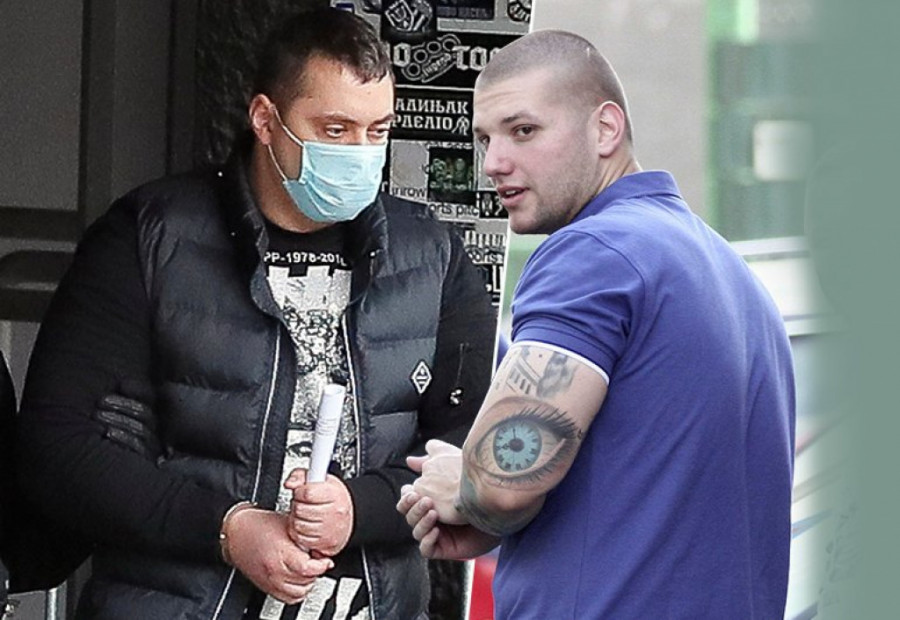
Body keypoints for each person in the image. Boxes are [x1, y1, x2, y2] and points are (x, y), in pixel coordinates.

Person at [16, 8, 495, 620]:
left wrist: (362, 509)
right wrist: (226, 528)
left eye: (378, 131)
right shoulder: (150, 236)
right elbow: (59, 446)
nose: (360, 154)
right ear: (265, 119)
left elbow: (477, 447)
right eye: (335, 129)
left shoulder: (429, 254)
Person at [398, 29, 795, 619]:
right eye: (484, 139)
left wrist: (464, 485)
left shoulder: (593, 253)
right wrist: (495, 517)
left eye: (523, 130)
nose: (493, 163)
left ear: (606, 129)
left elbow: (502, 481)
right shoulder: (729, 271)